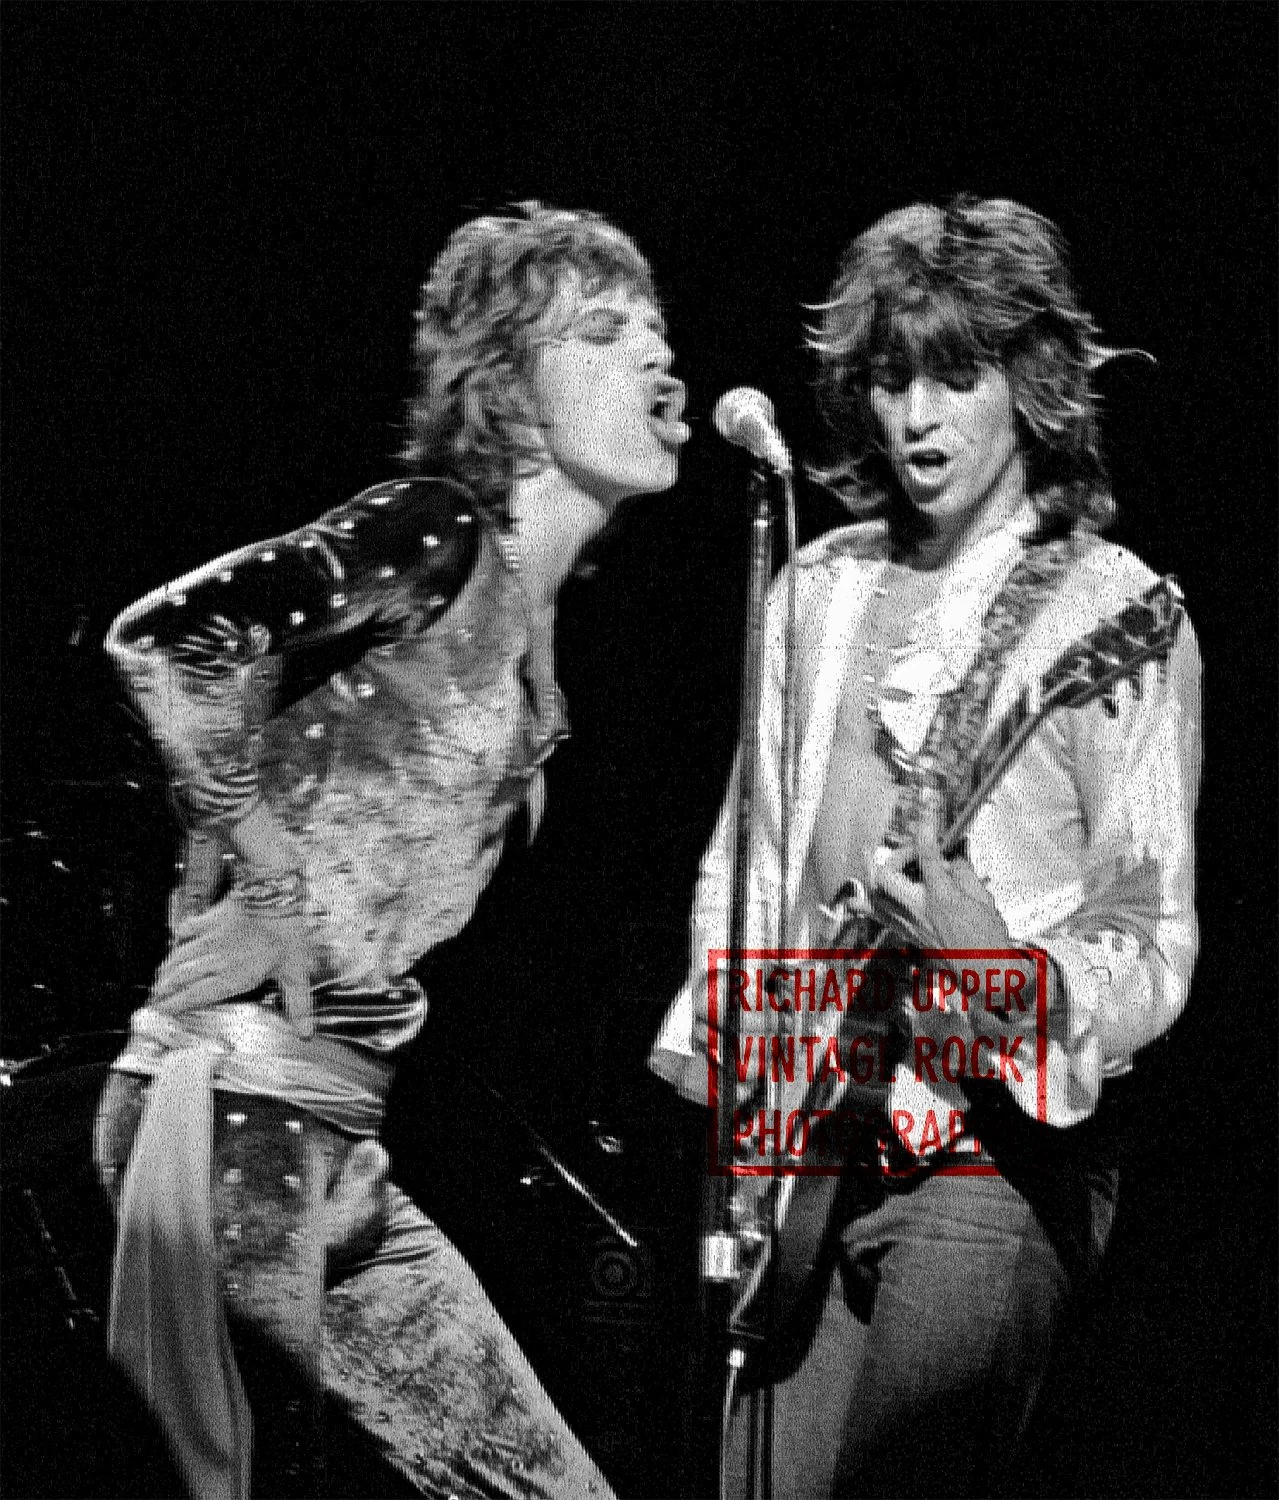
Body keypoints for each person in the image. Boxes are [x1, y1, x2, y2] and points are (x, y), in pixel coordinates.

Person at [93, 200, 689, 1500]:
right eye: (602, 333)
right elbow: (166, 636)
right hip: (232, 1121)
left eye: (656, 331)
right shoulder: (436, 528)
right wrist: (253, 841)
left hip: (332, 1133)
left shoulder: (538, 645)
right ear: (513, 393)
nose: (659, 360)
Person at [652, 195, 1201, 1498]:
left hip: (991, 1152)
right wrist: (746, 1103)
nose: (914, 417)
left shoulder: (1112, 612)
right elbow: (750, 864)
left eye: (955, 375)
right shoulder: (816, 591)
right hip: (799, 1150)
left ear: (1031, 382)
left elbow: (1151, 932)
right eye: (890, 376)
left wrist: (989, 958)